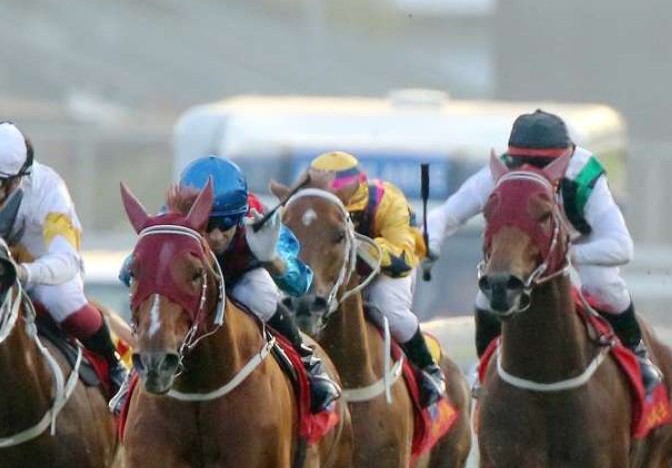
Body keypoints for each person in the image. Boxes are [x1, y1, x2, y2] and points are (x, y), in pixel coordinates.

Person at [425, 109, 661, 393]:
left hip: (579, 239)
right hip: (526, 244)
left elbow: (621, 246)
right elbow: (447, 214)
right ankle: (485, 366)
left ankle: (638, 354)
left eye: (544, 164)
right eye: (523, 162)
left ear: (566, 158)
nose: (530, 171)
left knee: (604, 285)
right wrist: (432, 241)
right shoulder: (503, 170)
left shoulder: (585, 176)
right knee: (488, 293)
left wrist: (570, 255)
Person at [115, 156, 339, 413]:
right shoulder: (172, 219)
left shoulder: (258, 218)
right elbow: (130, 275)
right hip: (192, 284)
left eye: (227, 225)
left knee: (261, 296)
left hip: (241, 279)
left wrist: (271, 258)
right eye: (208, 226)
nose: (217, 237)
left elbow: (299, 285)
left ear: (240, 216)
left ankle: (308, 363)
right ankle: (134, 376)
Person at [306, 151, 445, 408]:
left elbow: (402, 258)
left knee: (385, 307)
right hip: (331, 270)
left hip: (386, 272)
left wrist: (355, 244)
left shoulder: (386, 200)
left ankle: (429, 368)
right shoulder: (308, 202)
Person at [0, 121, 127, 395]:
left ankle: (113, 366)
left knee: (62, 300)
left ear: (20, 176)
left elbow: (67, 261)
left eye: (1, 183)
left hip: (42, 276)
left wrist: (24, 273)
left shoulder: (49, 190)